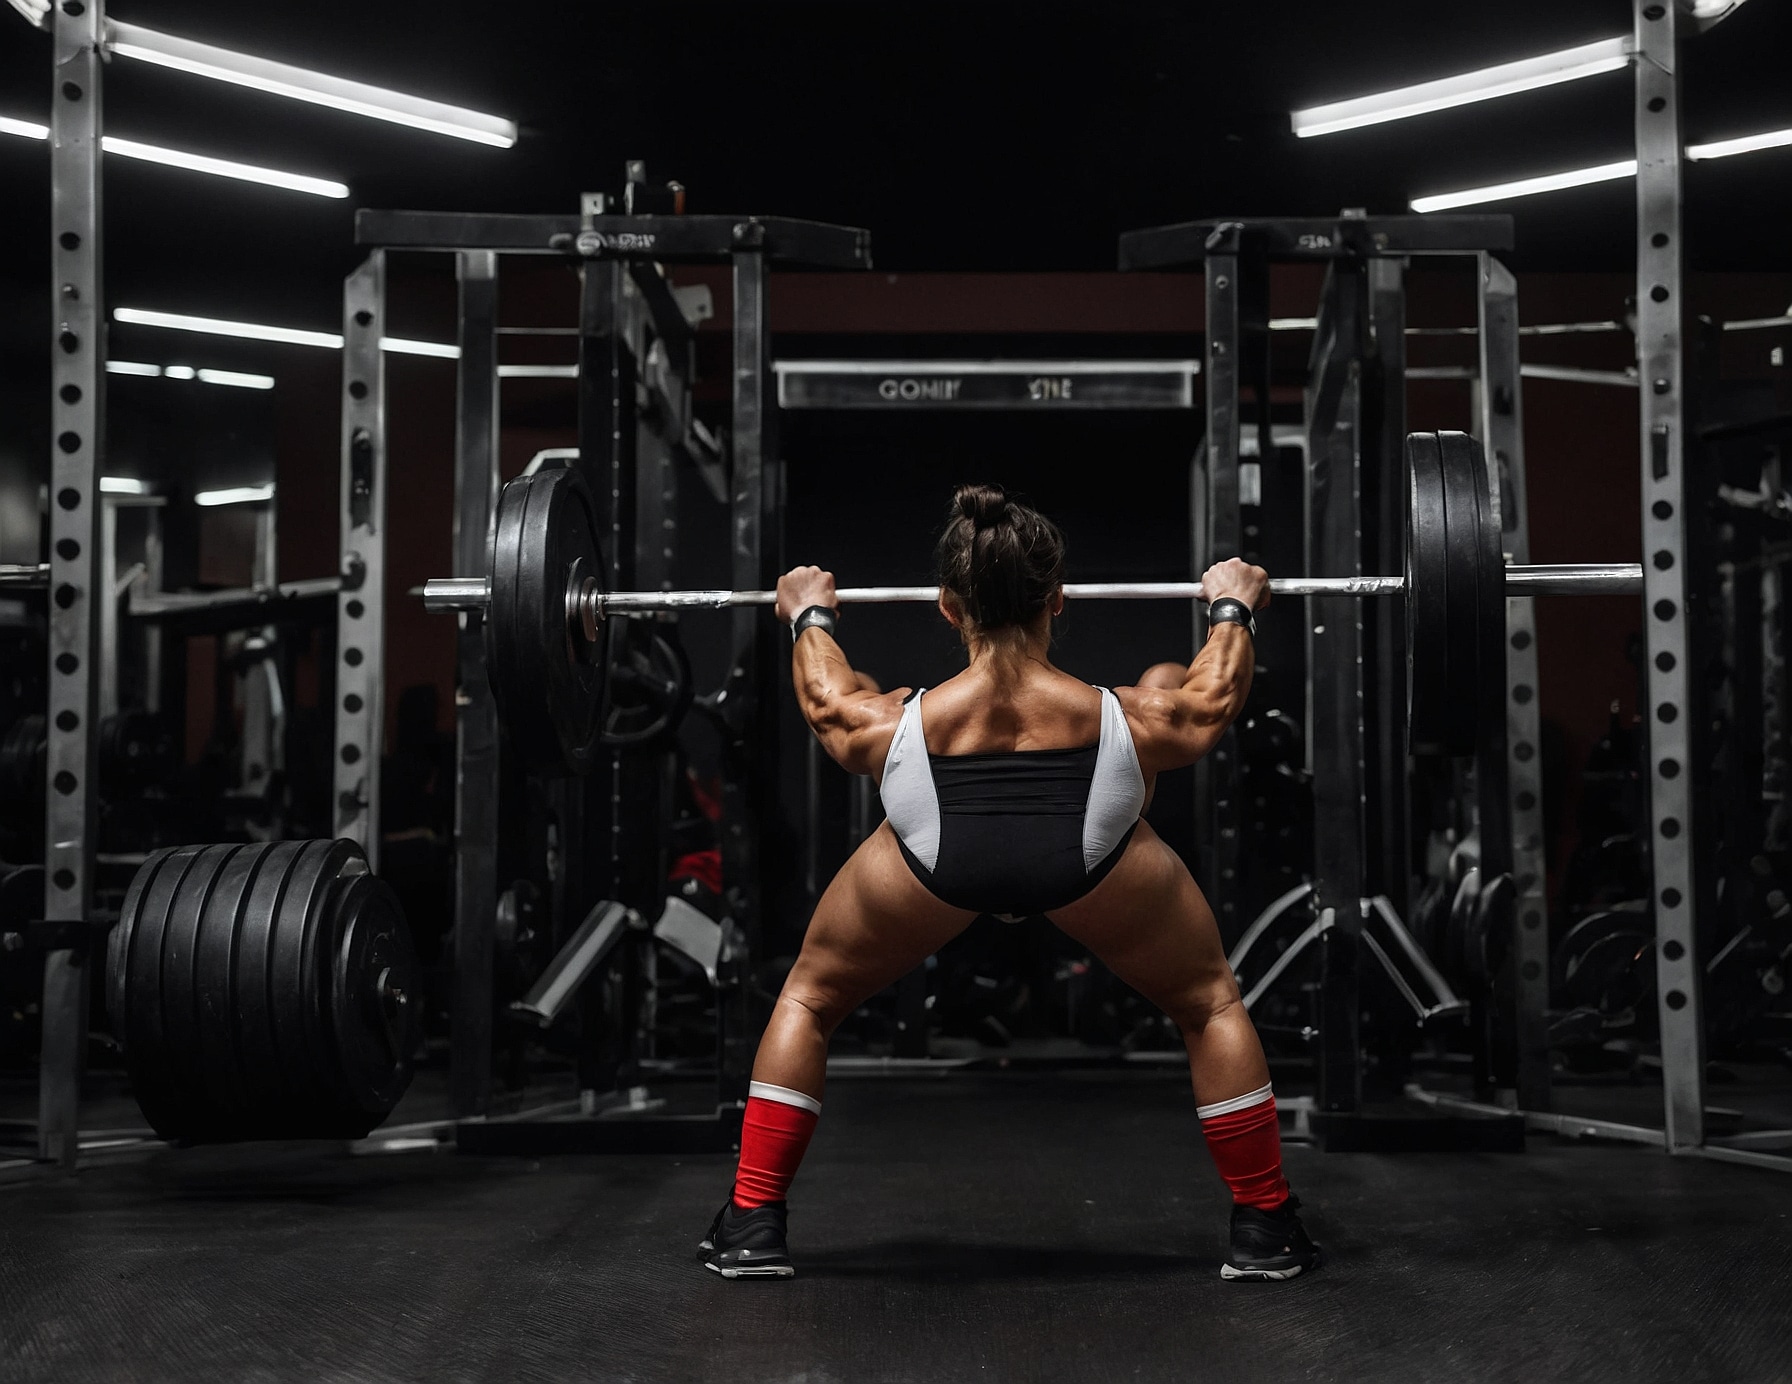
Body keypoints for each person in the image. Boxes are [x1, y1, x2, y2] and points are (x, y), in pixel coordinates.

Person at [700, 484, 1319, 1282]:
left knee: (810, 1000)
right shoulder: (1126, 715)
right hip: (1090, 852)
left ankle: (753, 1223)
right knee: (1210, 1005)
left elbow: (829, 705)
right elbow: (1209, 702)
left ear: (948, 607)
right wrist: (1233, 607)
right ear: (1057, 599)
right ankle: (1265, 1227)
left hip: (935, 849)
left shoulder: (895, 721)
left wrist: (809, 615)